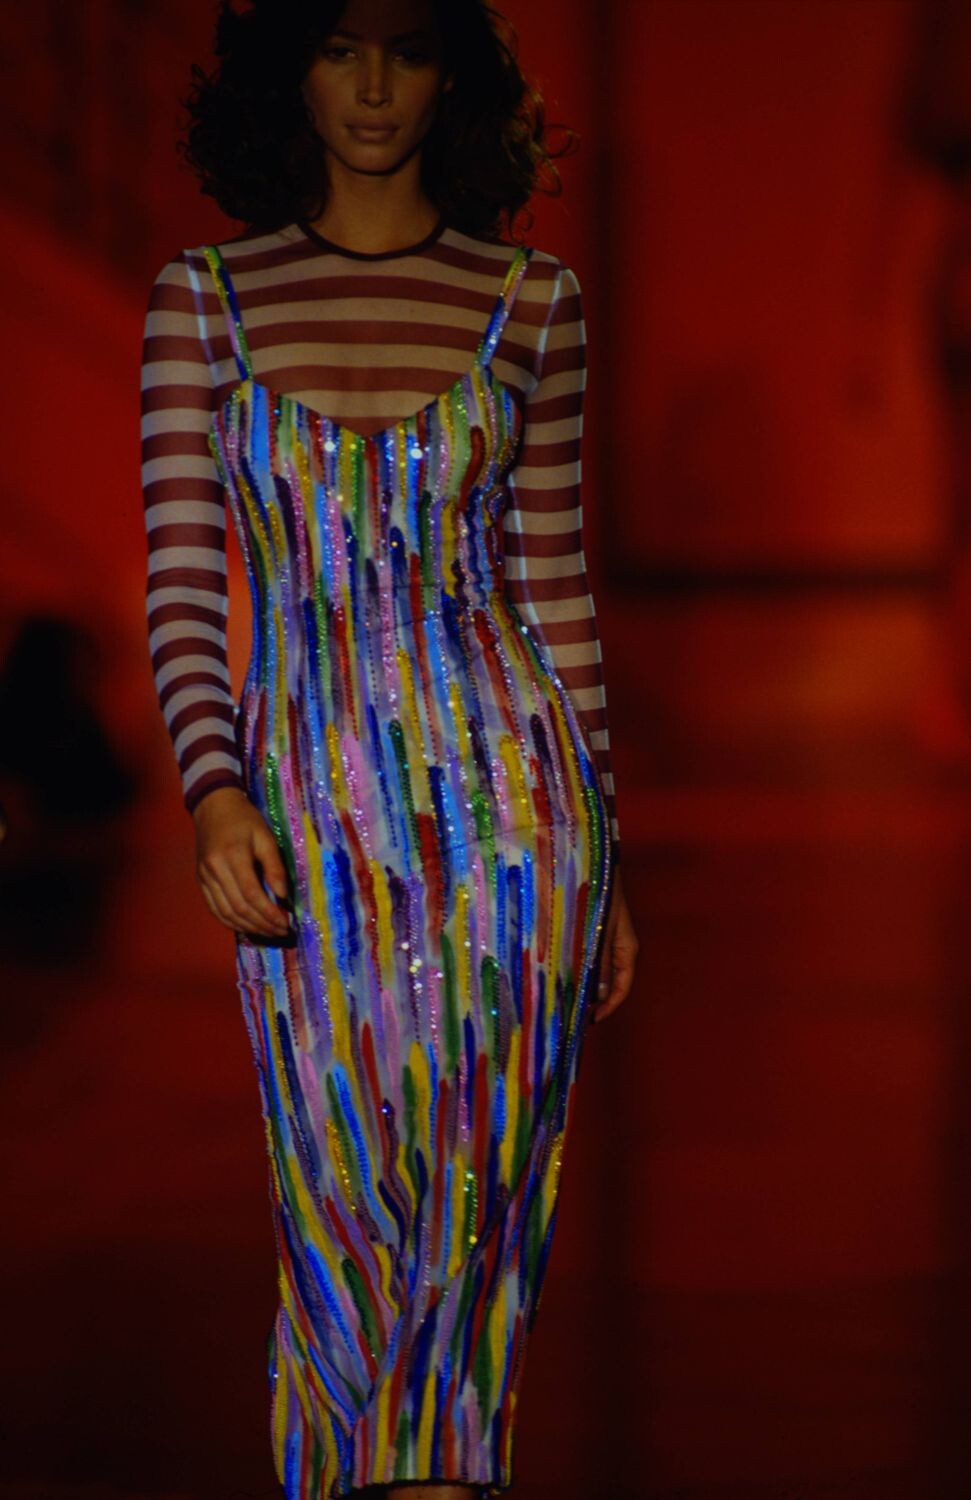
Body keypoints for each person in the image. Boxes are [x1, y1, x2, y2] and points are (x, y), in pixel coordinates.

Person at [139, 1, 638, 1495]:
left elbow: (555, 592)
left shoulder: (533, 304)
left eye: (408, 50)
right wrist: (212, 788)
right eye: (340, 46)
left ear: (453, 74)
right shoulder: (204, 302)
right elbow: (183, 585)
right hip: (306, 841)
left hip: (515, 837)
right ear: (287, 67)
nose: (371, 88)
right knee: (339, 1246)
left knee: (468, 1270)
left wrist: (611, 858)